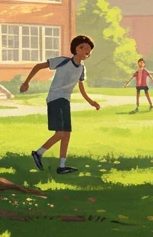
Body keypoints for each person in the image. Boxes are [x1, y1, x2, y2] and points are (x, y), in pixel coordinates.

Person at [21, 35, 100, 174]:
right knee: (61, 133)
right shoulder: (63, 61)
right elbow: (39, 66)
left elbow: (81, 87)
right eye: (82, 48)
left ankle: (62, 165)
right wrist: (26, 82)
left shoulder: (81, 69)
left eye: (88, 50)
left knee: (67, 134)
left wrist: (91, 102)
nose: (85, 51)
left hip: (65, 100)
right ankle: (38, 153)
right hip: (55, 98)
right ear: (75, 49)